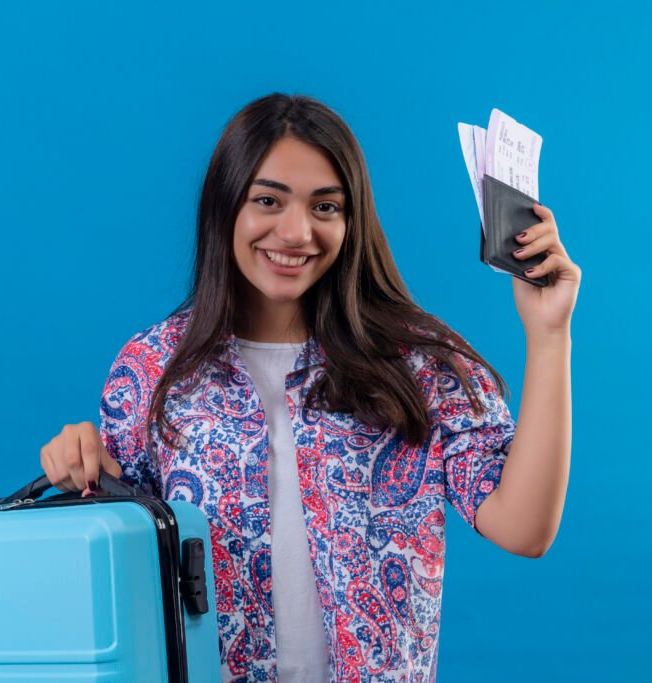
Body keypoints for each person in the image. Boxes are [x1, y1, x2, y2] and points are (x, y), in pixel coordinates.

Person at [39, 93, 579, 683]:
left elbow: (525, 528)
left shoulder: (418, 364)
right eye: (268, 200)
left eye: (326, 206)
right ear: (225, 208)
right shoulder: (153, 371)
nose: (296, 232)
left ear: (353, 222)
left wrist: (550, 334)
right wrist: (81, 471)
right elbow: (128, 572)